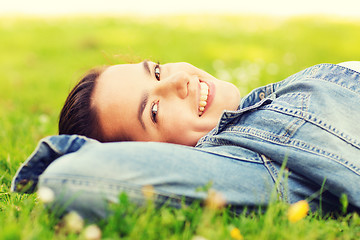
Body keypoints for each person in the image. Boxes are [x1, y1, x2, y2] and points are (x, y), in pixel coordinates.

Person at [11, 60, 360, 220]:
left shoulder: (262, 110)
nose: (178, 80)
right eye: (154, 111)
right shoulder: (256, 169)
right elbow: (73, 178)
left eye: (158, 70)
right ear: (161, 159)